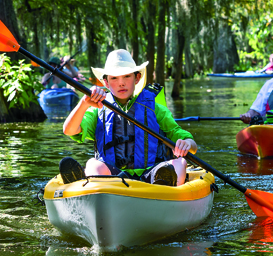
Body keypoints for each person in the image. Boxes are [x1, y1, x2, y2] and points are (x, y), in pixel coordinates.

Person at [60, 49, 197, 186]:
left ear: (136, 78)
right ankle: (90, 187)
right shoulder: (98, 109)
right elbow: (69, 130)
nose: (121, 83)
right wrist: (83, 103)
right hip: (113, 177)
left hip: (154, 174)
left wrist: (187, 144)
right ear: (106, 83)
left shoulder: (155, 109)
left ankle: (166, 188)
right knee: (92, 164)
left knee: (180, 163)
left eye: (127, 76)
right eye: (114, 78)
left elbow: (191, 145)